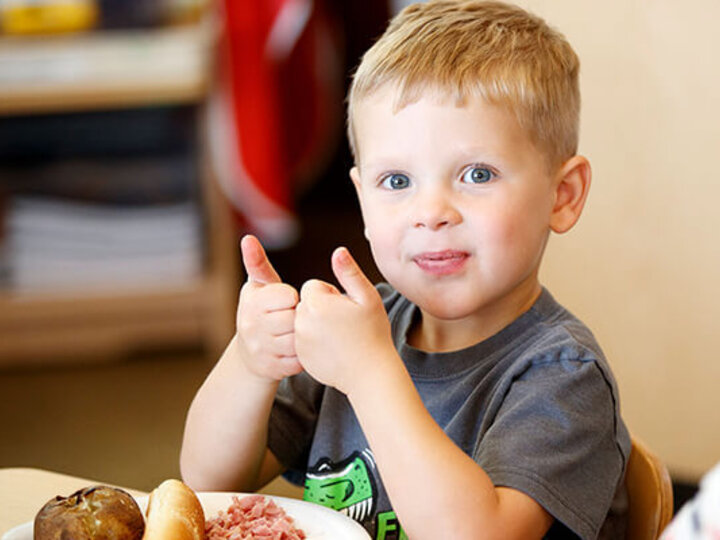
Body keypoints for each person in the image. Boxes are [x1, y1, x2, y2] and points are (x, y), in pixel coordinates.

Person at [180, 2, 630, 539]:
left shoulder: (563, 375)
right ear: (362, 200)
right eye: (396, 182)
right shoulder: (360, 329)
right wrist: (250, 361)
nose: (431, 212)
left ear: (563, 195)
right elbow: (208, 481)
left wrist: (371, 373)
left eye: (477, 173)